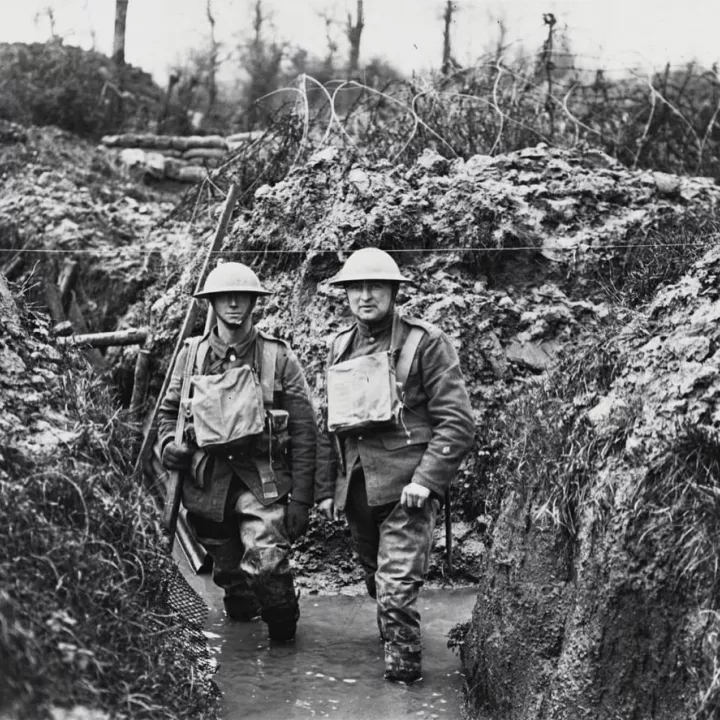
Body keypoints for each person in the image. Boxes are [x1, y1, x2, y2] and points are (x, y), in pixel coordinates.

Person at [315, 247, 475, 684]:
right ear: (346, 294)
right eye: (356, 288)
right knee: (377, 581)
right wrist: (329, 488)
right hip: (359, 492)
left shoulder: (425, 342)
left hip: (408, 491)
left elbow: (457, 422)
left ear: (393, 291)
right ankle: (392, 634)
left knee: (397, 589)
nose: (365, 296)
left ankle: (404, 684)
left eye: (375, 287)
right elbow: (331, 425)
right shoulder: (339, 346)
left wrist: (426, 480)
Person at [158, 261, 316, 643]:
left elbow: (305, 431)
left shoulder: (278, 357)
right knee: (234, 586)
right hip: (207, 485)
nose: (233, 303)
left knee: (267, 563)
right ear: (210, 302)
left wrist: (303, 501)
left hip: (260, 482)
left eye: (241, 296)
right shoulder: (190, 355)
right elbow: (167, 414)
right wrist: (169, 446)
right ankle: (244, 627)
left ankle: (283, 636)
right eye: (224, 296)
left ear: (253, 302)